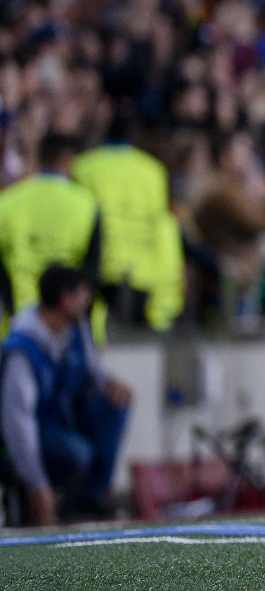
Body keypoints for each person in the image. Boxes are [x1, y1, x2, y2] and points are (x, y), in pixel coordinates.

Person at [1, 266, 131, 525]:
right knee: (78, 453)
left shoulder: (77, 329)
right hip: (29, 433)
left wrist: (110, 382)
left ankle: (89, 498)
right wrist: (37, 483)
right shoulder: (22, 351)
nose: (88, 300)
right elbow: (18, 425)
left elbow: (91, 370)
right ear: (65, 298)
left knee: (115, 406)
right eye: (83, 293)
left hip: (59, 421)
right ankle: (50, 499)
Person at [72, 121, 184, 343]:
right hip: (143, 273)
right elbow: (161, 229)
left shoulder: (83, 166)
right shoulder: (154, 170)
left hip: (98, 269)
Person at [0, 135, 100, 335]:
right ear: (68, 162)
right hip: (70, 322)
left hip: (19, 321)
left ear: (39, 159)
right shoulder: (87, 204)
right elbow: (92, 269)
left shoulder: (7, 202)